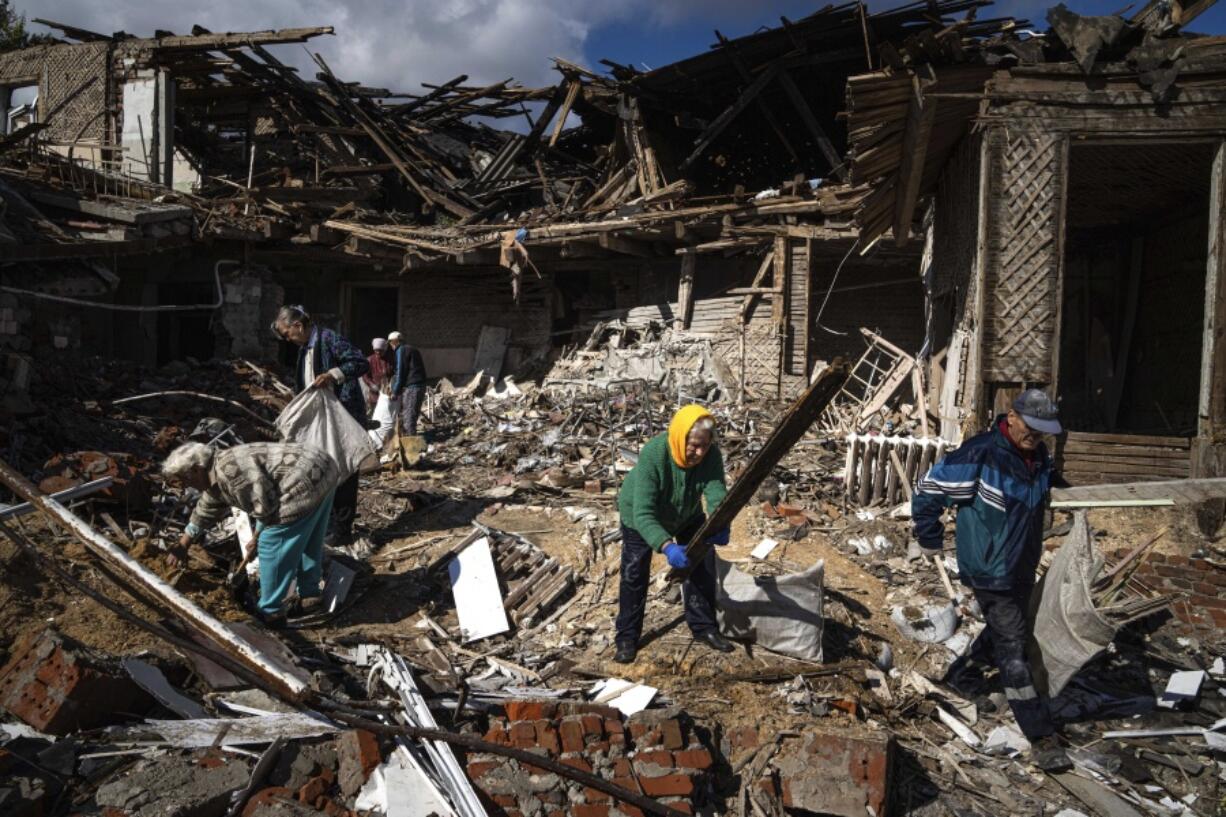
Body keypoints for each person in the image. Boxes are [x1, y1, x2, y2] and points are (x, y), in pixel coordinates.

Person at [911, 389, 1071, 773]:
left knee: (1011, 627)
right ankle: (1040, 736)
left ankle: (961, 675)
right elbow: (929, 490)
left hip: (1021, 563)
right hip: (988, 566)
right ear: (1011, 417)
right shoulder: (979, 452)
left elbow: (1050, 484)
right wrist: (928, 536)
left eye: (1044, 432)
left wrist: (1078, 499)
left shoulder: (1038, 457)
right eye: (1031, 429)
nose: (1037, 437)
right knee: (1014, 647)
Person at [164, 441, 339, 627]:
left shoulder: (232, 474)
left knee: (272, 542)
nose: (185, 485)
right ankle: (310, 596)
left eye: (185, 479)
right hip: (322, 467)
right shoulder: (216, 469)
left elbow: (265, 508)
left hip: (305, 478)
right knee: (308, 536)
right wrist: (184, 543)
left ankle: (270, 612)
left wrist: (256, 539)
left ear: (197, 469)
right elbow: (206, 507)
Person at [614, 405, 733, 664]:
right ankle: (626, 637)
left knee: (702, 563)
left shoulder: (711, 455)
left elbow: (715, 492)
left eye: (704, 446)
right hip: (639, 515)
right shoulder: (655, 454)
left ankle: (704, 628)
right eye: (693, 446)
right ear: (680, 438)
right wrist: (667, 546)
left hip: (686, 513)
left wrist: (719, 522)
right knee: (635, 572)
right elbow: (644, 514)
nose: (699, 453)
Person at [271, 305, 369, 548]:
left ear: (298, 325)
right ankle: (330, 524)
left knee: (344, 468)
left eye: (286, 334)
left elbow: (359, 362)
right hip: (321, 419)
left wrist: (332, 375)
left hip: (341, 414)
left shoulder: (327, 339)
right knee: (324, 469)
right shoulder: (306, 347)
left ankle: (343, 529)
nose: (287, 339)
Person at [388, 330, 428, 436]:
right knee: (412, 415)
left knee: (408, 416)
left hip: (413, 386)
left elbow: (401, 372)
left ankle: (411, 443)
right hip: (420, 385)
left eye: (390, 342)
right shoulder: (412, 349)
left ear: (394, 341)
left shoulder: (401, 350)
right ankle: (412, 438)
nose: (390, 345)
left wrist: (395, 391)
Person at [362, 337, 393, 414]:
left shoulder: (390, 359)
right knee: (375, 412)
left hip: (387, 391)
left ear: (384, 350)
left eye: (380, 351)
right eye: (376, 350)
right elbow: (365, 376)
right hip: (374, 392)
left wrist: (391, 385)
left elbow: (393, 373)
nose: (378, 352)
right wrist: (372, 385)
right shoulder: (369, 360)